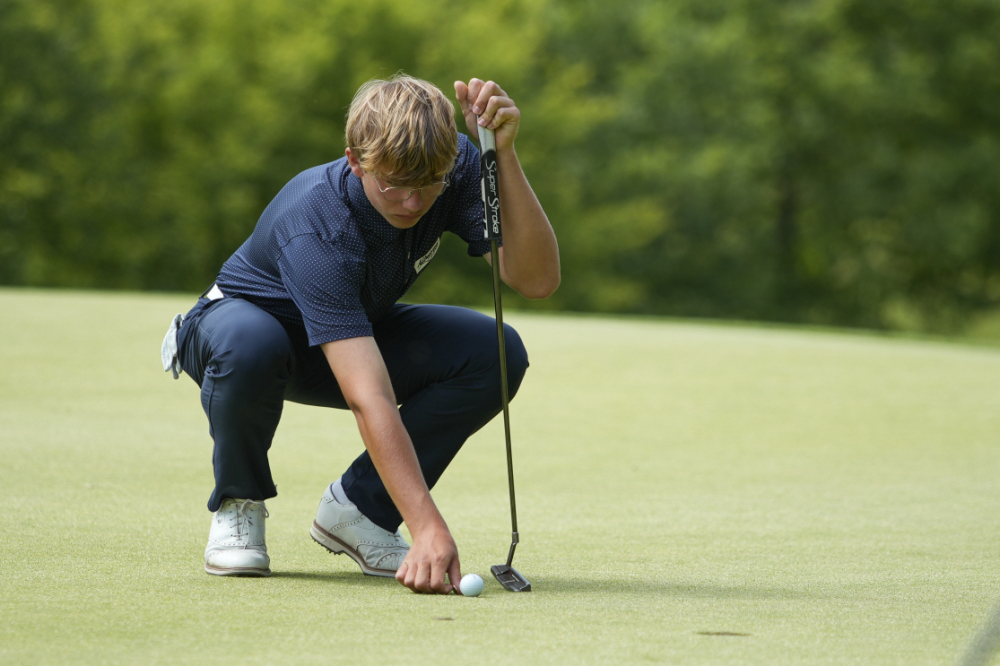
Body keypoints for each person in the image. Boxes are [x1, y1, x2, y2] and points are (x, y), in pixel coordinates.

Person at [160, 74, 560, 594]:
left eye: (429, 185)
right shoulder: (317, 223)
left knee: (495, 352)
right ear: (356, 160)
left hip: (346, 329)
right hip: (235, 332)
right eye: (393, 183)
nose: (413, 203)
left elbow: (536, 279)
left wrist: (502, 154)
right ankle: (239, 503)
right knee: (253, 343)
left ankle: (360, 512)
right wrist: (427, 526)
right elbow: (366, 395)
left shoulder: (454, 165)